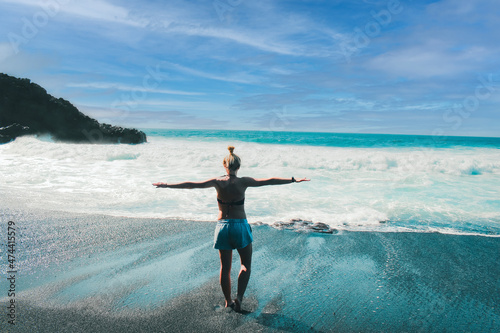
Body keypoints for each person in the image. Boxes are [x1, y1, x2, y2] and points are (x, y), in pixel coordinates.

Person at [153, 146, 310, 311]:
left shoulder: (217, 182)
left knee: (225, 267)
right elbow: (269, 181)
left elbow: (192, 185)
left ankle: (228, 301)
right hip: (240, 226)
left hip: (222, 227)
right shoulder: (244, 182)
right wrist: (293, 179)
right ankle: (239, 298)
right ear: (239, 166)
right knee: (245, 265)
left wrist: (167, 185)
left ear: (224, 165)